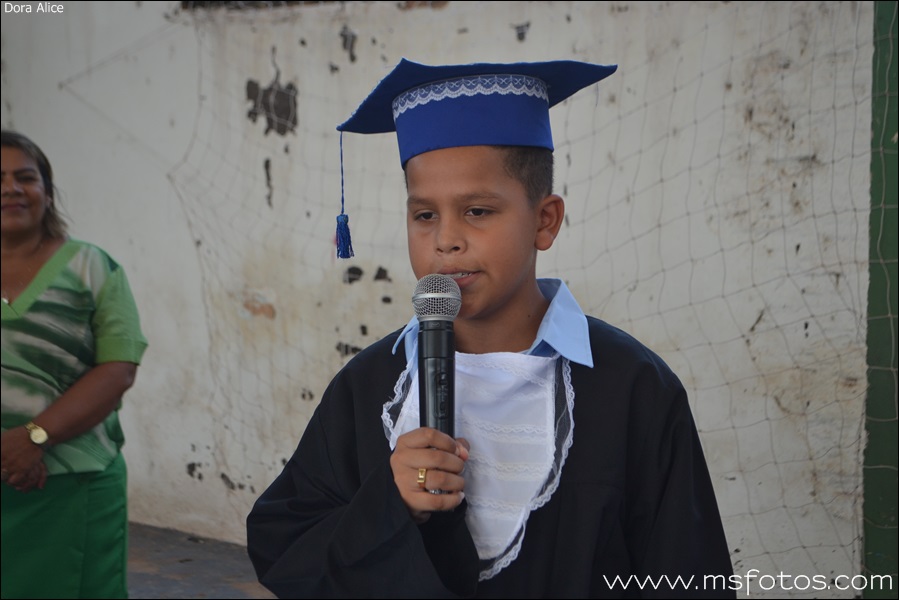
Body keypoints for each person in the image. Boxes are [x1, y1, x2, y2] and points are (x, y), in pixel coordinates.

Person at [246, 59, 734, 598]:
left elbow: (687, 573)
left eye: (477, 211)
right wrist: (388, 504)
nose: (445, 240)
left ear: (545, 220)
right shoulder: (370, 384)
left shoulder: (633, 387)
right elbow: (285, 543)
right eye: (424, 215)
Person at [1, 130, 148, 599]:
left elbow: (118, 368)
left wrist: (33, 438)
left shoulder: (92, 267)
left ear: (47, 192)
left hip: (73, 486)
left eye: (26, 177)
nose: (11, 188)